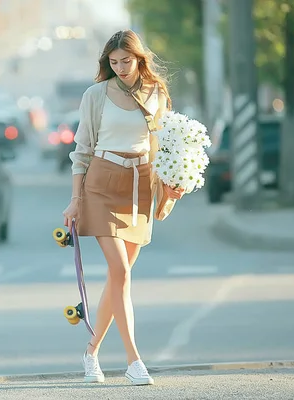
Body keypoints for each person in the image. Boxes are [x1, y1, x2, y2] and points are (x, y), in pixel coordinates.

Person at [62, 30, 185, 386]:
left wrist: (172, 186)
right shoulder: (96, 94)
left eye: (126, 62)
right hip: (101, 183)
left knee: (119, 277)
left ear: (139, 59)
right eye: (114, 63)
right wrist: (75, 198)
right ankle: (134, 360)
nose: (120, 69)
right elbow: (82, 148)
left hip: (140, 184)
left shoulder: (156, 94)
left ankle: (90, 352)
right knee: (121, 271)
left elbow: (163, 145)